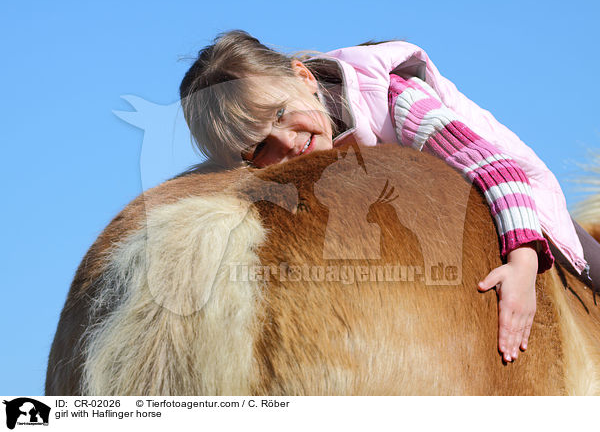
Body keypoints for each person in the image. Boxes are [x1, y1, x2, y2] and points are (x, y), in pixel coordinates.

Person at [179, 30, 598, 363]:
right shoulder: (293, 157)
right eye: (258, 149)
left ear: (304, 79)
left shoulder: (394, 100)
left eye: (280, 114)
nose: (285, 144)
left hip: (520, 199)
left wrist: (524, 265)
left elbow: (496, 170)